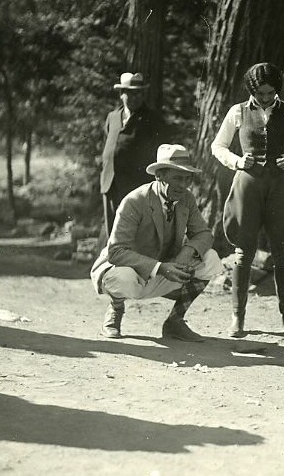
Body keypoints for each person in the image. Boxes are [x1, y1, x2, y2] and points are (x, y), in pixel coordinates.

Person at [211, 62, 284, 339]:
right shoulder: (238, 111)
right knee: (244, 251)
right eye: (261, 94)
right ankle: (238, 318)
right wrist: (236, 161)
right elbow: (217, 146)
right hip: (249, 184)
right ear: (252, 90)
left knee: (281, 251)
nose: (266, 99)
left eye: (270, 93)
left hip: (280, 184)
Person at [90, 144, 223, 341]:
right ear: (159, 175)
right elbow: (116, 251)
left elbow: (204, 234)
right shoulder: (135, 201)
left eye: (187, 178)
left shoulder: (186, 198)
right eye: (177, 178)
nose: (183, 185)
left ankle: (175, 322)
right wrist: (159, 268)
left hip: (165, 269)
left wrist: (187, 252)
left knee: (210, 258)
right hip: (132, 271)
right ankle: (115, 310)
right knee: (121, 278)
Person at [99, 72, 172, 240]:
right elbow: (107, 147)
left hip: (136, 185)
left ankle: (134, 265)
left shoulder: (152, 119)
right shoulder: (113, 117)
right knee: (112, 231)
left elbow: (161, 153)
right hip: (110, 184)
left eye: (139, 93)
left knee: (134, 231)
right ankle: (112, 264)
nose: (135, 97)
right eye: (131, 93)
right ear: (121, 94)